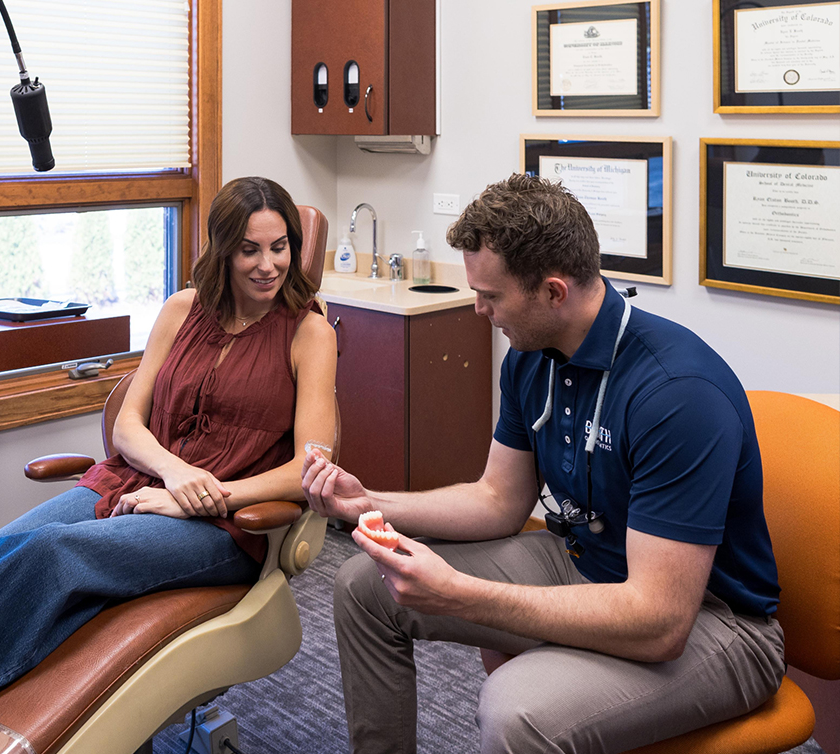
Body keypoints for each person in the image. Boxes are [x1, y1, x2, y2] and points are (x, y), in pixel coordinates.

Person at [302, 174, 784, 754]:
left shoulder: (675, 393)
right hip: (584, 560)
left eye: (492, 295)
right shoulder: (532, 357)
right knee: (362, 586)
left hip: (714, 621)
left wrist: (459, 592)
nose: (478, 309)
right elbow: (498, 501)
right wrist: (372, 503)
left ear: (554, 292)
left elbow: (658, 619)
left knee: (516, 710)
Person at [0, 176, 337, 751]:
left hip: (220, 526)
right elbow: (129, 423)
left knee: (55, 554)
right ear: (222, 248)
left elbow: (310, 465)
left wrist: (197, 495)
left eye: (280, 247)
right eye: (250, 249)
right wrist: (173, 471)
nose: (268, 265)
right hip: (133, 481)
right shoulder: (182, 310)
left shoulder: (308, 333)